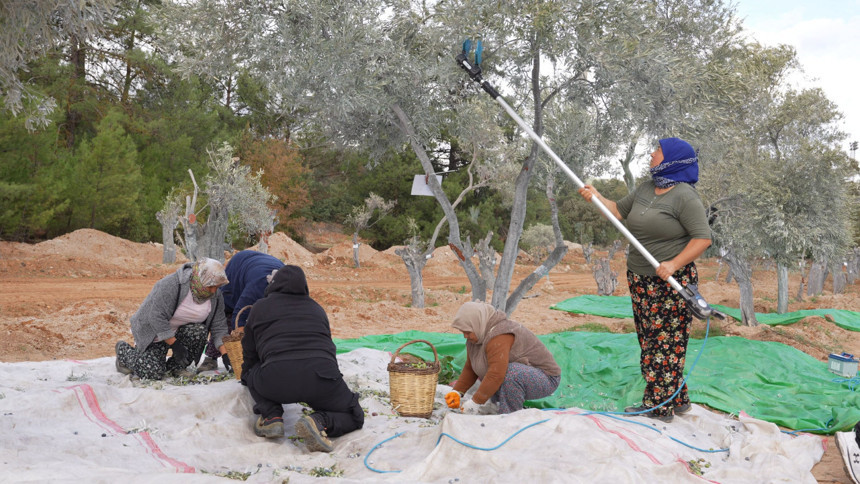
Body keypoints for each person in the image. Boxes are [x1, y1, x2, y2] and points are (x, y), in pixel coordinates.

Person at [578, 137, 712, 422]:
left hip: (671, 282)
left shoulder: (685, 197)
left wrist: (674, 264)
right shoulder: (646, 188)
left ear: (672, 159)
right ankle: (678, 399)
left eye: (657, 151)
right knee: (650, 340)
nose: (652, 154)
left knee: (664, 345)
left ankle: (659, 407)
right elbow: (617, 211)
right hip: (640, 280)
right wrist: (597, 196)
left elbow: (703, 239)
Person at [240, 264, 364, 452]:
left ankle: (272, 416)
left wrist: (247, 376)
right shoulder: (317, 308)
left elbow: (249, 352)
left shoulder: (260, 307)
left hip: (276, 379)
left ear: (273, 284)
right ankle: (319, 421)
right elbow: (328, 348)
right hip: (322, 378)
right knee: (354, 415)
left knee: (252, 371)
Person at [115, 258, 231, 380]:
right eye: (211, 287)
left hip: (181, 332)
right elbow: (155, 316)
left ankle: (176, 367)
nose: (213, 291)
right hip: (155, 331)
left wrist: (225, 354)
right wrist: (175, 345)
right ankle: (123, 350)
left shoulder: (215, 296)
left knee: (199, 330)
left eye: (217, 287)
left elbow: (219, 326)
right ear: (200, 280)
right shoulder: (172, 285)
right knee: (151, 373)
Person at [444, 301, 562, 415]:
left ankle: (510, 417)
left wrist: (476, 402)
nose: (465, 336)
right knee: (490, 374)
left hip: (545, 378)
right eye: (462, 332)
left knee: (511, 372)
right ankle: (497, 405)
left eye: (468, 332)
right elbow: (471, 368)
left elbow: (496, 374)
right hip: (518, 373)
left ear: (477, 323)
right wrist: (457, 392)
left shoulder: (500, 335)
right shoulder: (477, 336)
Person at [198, 250, 284, 372]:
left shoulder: (294, 289)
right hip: (238, 267)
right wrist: (242, 352)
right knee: (227, 311)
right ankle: (211, 358)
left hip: (260, 265)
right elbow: (239, 318)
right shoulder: (256, 289)